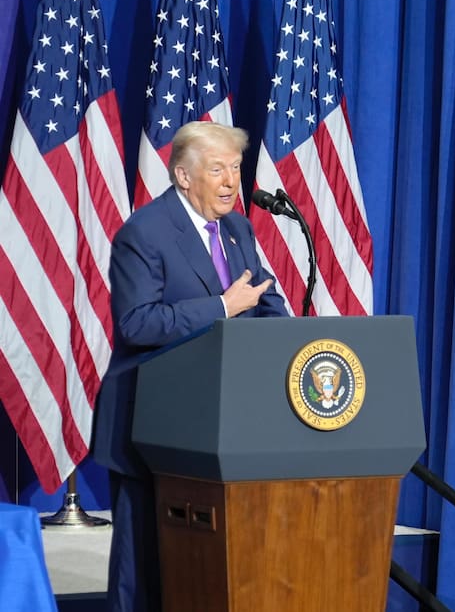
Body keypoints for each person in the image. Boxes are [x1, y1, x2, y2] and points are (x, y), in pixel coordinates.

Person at [93, 121, 289, 611]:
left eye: (236, 169)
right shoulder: (144, 232)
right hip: (151, 425)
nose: (231, 182)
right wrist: (223, 306)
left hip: (218, 430)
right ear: (183, 176)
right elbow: (137, 323)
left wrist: (289, 336)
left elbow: (261, 297)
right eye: (218, 169)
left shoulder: (238, 228)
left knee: (199, 566)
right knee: (141, 571)